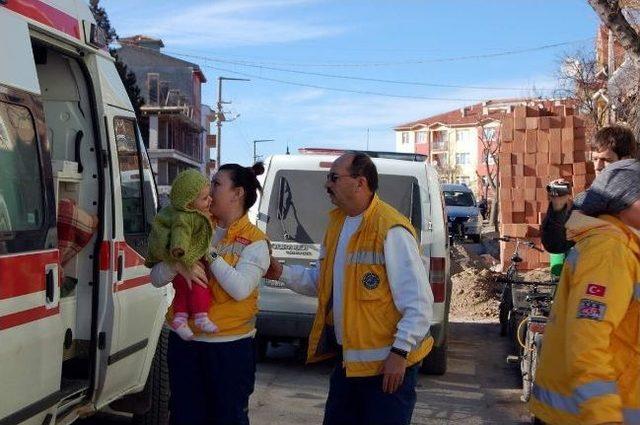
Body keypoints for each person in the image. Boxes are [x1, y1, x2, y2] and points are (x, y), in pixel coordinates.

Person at [264, 152, 434, 425]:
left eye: (333, 177)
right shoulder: (337, 225)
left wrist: (400, 353)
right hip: (349, 366)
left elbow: (419, 302)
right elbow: (324, 283)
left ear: (360, 183)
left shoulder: (391, 229)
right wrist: (281, 272)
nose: (327, 184)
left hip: (387, 369)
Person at [150, 163, 270, 425]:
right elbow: (155, 279)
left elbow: (240, 289)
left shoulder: (256, 241)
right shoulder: (190, 224)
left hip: (229, 351)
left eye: (216, 184)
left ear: (237, 193)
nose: (209, 190)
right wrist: (177, 263)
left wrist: (206, 250)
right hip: (186, 345)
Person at [529, 159, 640, 425]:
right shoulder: (608, 250)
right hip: (591, 416)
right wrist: (603, 416)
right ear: (624, 202)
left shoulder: (623, 244)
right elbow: (587, 339)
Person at [541, 125, 638, 254]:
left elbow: (555, 245)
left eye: (606, 160)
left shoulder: (600, 196)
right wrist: (558, 208)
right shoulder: (591, 198)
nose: (598, 167)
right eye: (595, 159)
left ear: (625, 160)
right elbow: (556, 244)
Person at [146, 169, 217, 340]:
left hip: (185, 263)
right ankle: (200, 317)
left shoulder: (194, 216)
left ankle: (180, 319)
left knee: (183, 293)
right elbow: (181, 235)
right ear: (189, 204)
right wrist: (179, 259)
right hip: (185, 260)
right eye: (205, 198)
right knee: (199, 287)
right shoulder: (186, 218)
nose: (210, 200)